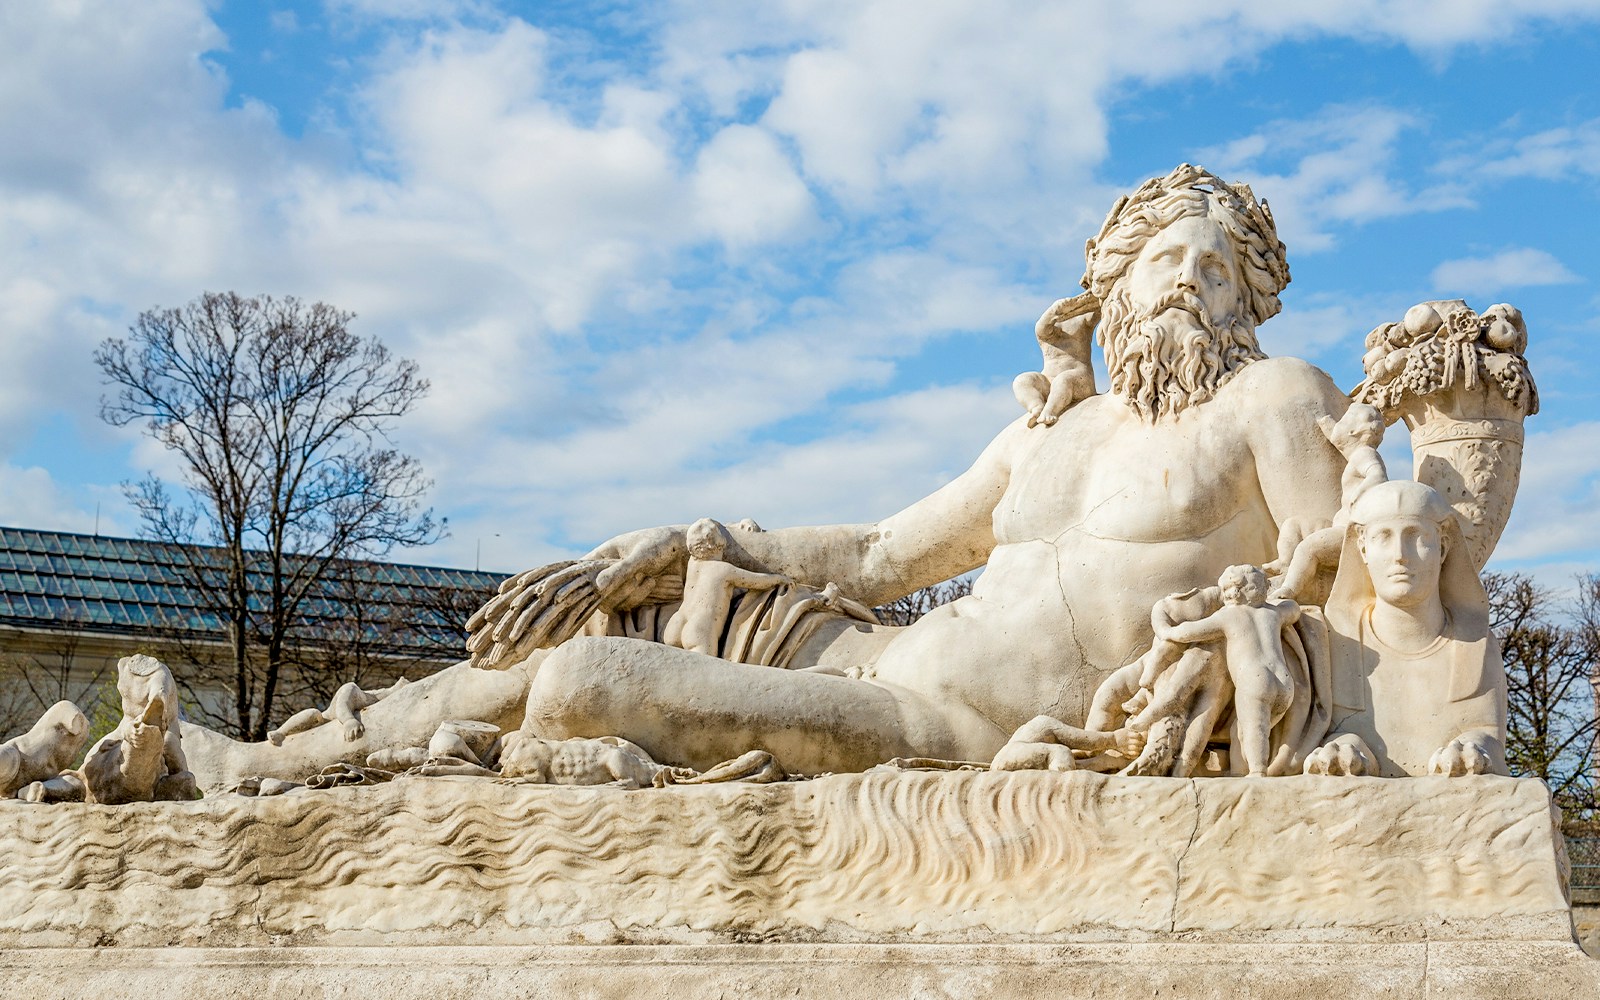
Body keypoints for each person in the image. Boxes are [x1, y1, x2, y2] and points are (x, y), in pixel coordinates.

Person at [503, 164, 1352, 775]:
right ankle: (367, 728)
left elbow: (1351, 586)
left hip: (959, 725)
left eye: (1216, 269)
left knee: (587, 681)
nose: (1189, 284)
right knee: (610, 612)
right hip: (877, 661)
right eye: (1165, 261)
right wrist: (694, 547)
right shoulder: (1051, 430)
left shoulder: (1273, 397)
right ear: (1115, 284)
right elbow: (879, 556)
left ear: (1246, 301)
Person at [1304, 479, 1507, 777]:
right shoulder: (1336, 644)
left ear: (1443, 547)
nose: (1400, 554)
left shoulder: (1477, 645)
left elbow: (1487, 736)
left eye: (1416, 535)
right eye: (1383, 537)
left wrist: (1475, 745)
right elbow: (1328, 731)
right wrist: (1343, 743)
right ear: (1362, 548)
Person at [1148, 565, 1302, 776]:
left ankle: (1258, 771)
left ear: (1232, 592)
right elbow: (1294, 609)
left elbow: (1187, 633)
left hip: (1255, 679)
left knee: (1253, 729)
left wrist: (1165, 630)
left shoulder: (1227, 616)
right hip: (1284, 683)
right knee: (1241, 730)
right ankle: (1239, 772)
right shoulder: (1273, 613)